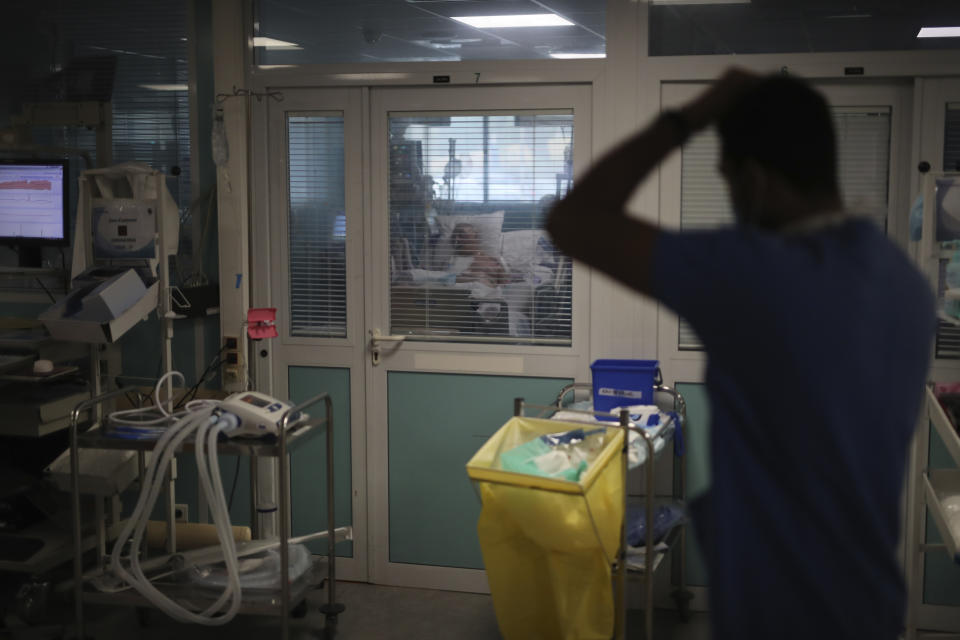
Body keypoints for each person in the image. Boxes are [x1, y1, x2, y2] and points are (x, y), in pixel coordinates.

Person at [547, 69, 936, 639]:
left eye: (727, 181)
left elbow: (572, 221)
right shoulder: (902, 281)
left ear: (754, 181)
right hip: (869, 605)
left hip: (777, 614)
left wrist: (688, 116)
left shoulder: (755, 274)